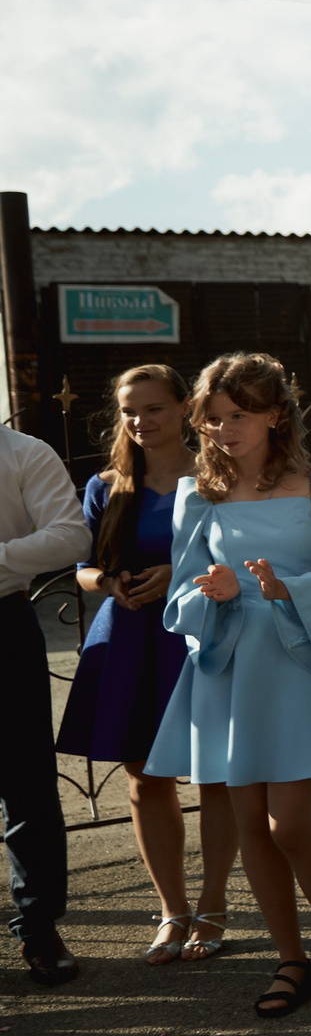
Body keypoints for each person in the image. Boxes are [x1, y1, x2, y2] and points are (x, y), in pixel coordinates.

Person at [146, 352, 311, 1017]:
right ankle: (290, 960)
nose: (224, 430)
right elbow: (181, 595)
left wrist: (285, 590)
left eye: (238, 416)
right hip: (228, 663)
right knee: (251, 824)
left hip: (295, 657)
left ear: (275, 415)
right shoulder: (199, 493)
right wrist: (212, 592)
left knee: (290, 824)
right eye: (212, 418)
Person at [56, 365, 235, 965]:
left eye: (154, 407)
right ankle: (172, 911)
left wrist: (180, 575)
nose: (140, 421)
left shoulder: (218, 475)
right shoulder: (107, 484)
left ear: (185, 407)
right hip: (129, 635)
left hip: (197, 635)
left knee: (215, 774)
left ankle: (213, 907)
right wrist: (107, 582)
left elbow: (243, 553)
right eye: (130, 410)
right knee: (144, 776)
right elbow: (81, 566)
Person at [0, 418, 92, 985]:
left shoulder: (23, 452)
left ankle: (39, 926)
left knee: (27, 782)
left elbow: (71, 536)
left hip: (3, 625)